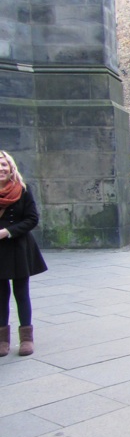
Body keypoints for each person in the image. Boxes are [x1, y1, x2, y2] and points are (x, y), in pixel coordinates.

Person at [0, 151, 47, 357]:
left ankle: (26, 338)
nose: (1, 169)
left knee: (21, 294)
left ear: (11, 168)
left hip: (18, 248)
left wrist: (8, 231)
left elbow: (32, 219)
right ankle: (2, 340)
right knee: (0, 296)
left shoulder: (23, 190)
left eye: (4, 165)